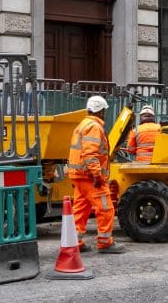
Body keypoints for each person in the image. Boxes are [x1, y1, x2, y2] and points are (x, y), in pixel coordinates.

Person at [66, 95, 124, 254]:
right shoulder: (94, 127)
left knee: (80, 210)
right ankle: (105, 243)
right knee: (106, 209)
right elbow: (90, 154)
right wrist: (97, 176)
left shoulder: (82, 125)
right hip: (90, 177)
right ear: (100, 111)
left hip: (79, 176)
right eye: (104, 111)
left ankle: (74, 242)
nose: (105, 113)